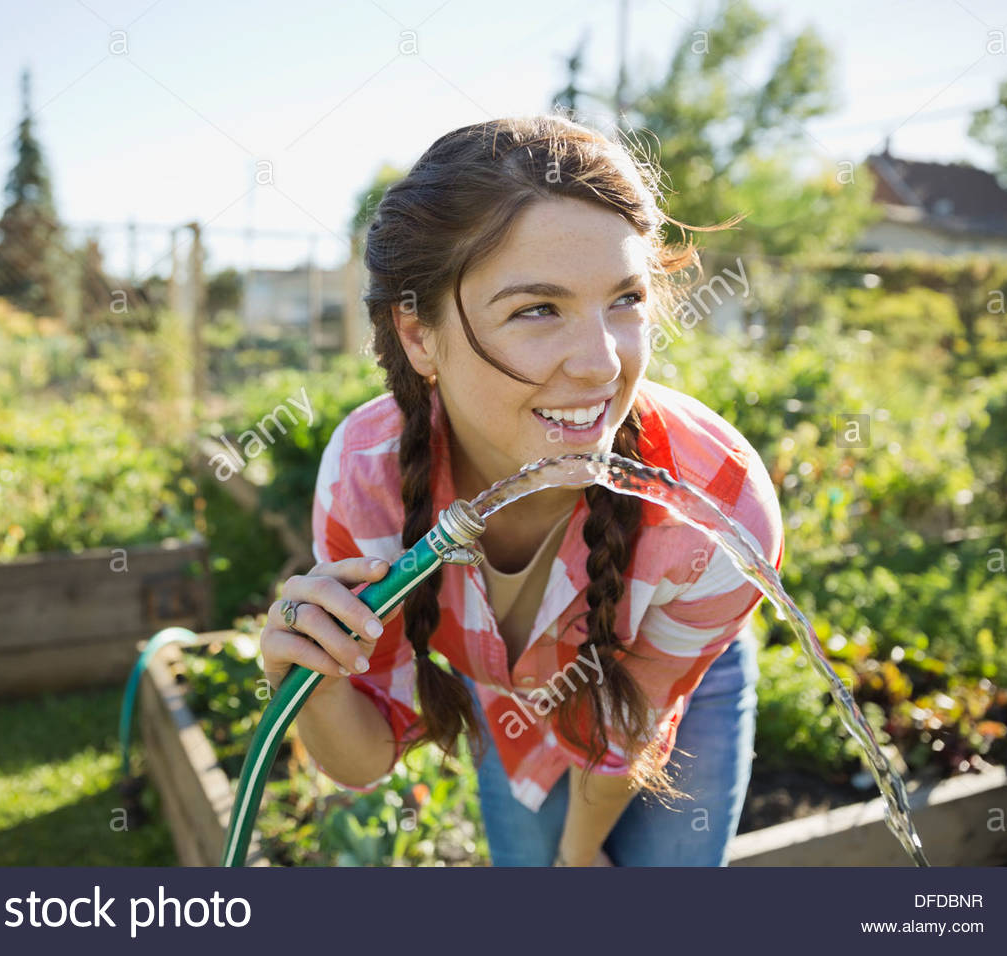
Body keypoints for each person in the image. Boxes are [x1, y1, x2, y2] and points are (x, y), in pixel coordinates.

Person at [259, 114, 784, 867]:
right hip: (505, 696)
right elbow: (364, 758)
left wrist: (576, 862)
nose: (602, 367)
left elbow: (623, 738)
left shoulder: (711, 508)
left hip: (658, 679)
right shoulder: (366, 479)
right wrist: (310, 683)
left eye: (625, 300)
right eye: (538, 309)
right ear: (418, 335)